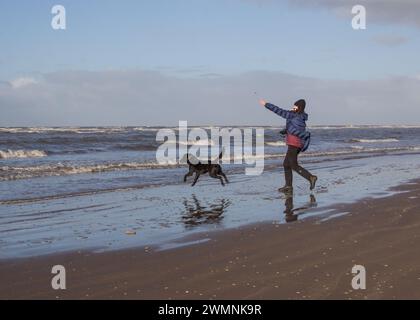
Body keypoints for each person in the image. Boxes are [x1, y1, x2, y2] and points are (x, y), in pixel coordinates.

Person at [259, 98, 317, 193]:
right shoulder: (301, 117)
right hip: (298, 143)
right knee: (286, 164)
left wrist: (266, 104)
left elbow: (278, 110)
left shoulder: (292, 115)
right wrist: (286, 130)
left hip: (294, 143)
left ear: (299, 107)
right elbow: (294, 127)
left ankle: (311, 177)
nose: (293, 107)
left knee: (293, 165)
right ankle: (288, 186)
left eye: (295, 106)